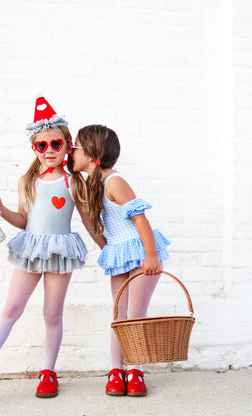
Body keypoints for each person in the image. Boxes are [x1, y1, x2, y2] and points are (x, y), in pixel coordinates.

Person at [0, 95, 102, 398]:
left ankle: (48, 371)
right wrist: (2, 210)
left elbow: (87, 220)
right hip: (31, 247)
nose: (49, 151)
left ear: (67, 144)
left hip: (61, 249)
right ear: (34, 148)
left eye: (56, 144)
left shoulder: (74, 181)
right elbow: (24, 219)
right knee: (11, 307)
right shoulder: (27, 180)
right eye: (41, 146)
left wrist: (107, 247)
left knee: (52, 313)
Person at [71, 124, 170, 397]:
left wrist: (151, 255)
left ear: (91, 154)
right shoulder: (90, 183)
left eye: (75, 147)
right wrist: (108, 248)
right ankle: (116, 370)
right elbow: (93, 225)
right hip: (120, 253)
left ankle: (135, 369)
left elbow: (140, 219)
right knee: (119, 316)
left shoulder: (114, 181)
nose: (70, 152)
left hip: (140, 253)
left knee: (135, 315)